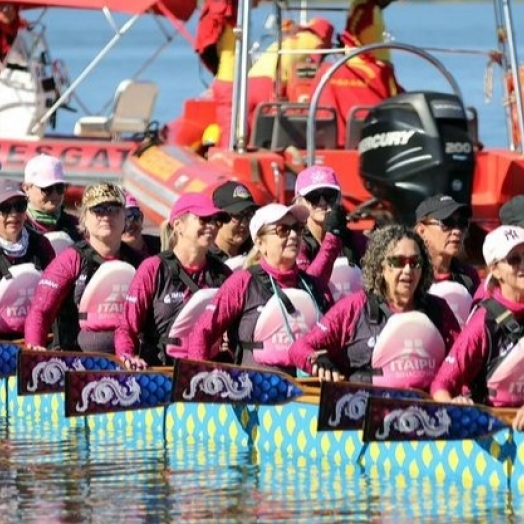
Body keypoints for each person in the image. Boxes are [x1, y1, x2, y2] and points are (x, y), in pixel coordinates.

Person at [289, 225, 461, 388]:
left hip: (423, 411)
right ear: (381, 267)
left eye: (415, 262)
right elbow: (298, 349)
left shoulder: (439, 310)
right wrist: (317, 361)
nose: (408, 270)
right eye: (398, 261)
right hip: (363, 407)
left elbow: (462, 361)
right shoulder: (353, 307)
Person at [188, 203, 334, 372]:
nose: (294, 235)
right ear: (259, 242)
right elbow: (202, 332)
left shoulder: (312, 285)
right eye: (283, 230)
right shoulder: (242, 282)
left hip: (308, 390)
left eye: (297, 228)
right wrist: (198, 379)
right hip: (255, 389)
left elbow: (335, 338)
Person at [114, 193, 233, 368]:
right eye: (203, 219)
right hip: (160, 373)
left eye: (216, 221)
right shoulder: (153, 268)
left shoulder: (223, 273)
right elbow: (126, 327)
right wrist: (128, 357)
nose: (211, 226)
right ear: (178, 225)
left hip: (208, 375)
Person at [25, 183, 144, 352]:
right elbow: (40, 311)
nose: (106, 216)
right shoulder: (70, 260)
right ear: (85, 219)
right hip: (75, 360)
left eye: (113, 209)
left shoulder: (141, 263)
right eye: (98, 210)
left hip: (127, 361)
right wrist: (35, 347)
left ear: (125, 217)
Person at [430, 225, 524, 430]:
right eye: (514, 260)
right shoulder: (482, 323)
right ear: (495, 270)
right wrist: (454, 405)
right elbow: (440, 387)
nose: (523, 265)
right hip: (491, 428)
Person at [309, 30, 403, 148]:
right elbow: (401, 102)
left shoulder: (325, 72)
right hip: (375, 144)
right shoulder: (382, 72)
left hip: (328, 145)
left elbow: (310, 107)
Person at [0, 178, 55, 339]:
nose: (14, 214)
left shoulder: (41, 244)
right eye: (5, 208)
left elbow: (57, 294)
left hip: (38, 338)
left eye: (20, 206)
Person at [414, 194, 480, 325]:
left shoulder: (469, 277)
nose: (457, 231)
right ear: (422, 230)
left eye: (462, 224)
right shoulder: (410, 274)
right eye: (447, 223)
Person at [22, 154, 82, 251]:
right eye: (46, 189)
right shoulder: (15, 225)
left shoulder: (77, 226)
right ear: (26, 188)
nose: (54, 195)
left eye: (60, 188)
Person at [211, 181, 259, 268]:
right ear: (218, 218)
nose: (244, 224)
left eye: (249, 215)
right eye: (237, 215)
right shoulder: (205, 260)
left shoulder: (257, 253)